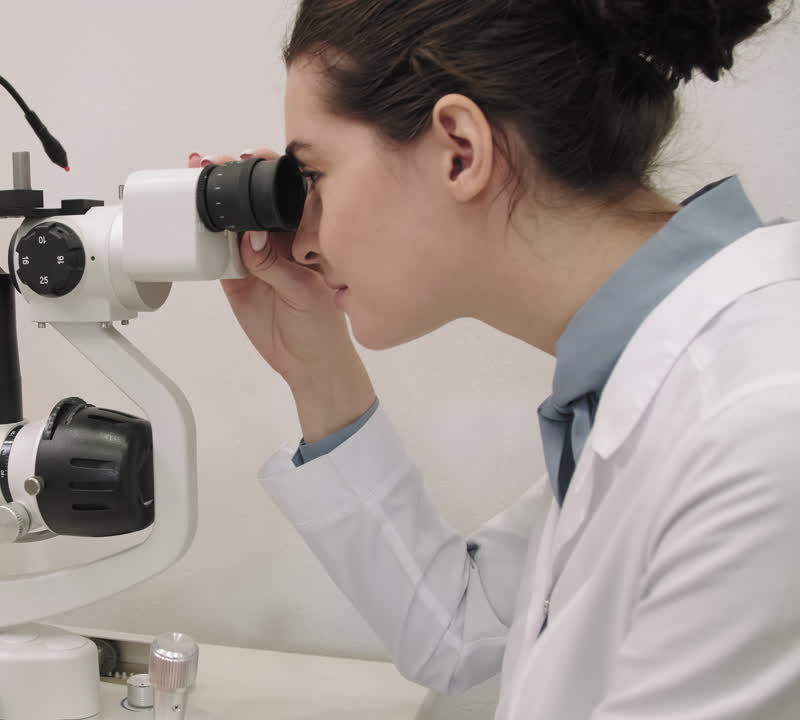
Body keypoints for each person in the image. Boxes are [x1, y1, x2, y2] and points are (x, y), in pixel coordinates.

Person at [192, 0, 800, 717]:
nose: (301, 239)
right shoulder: (643, 386)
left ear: (461, 149)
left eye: (313, 176)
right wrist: (316, 367)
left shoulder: (757, 425)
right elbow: (462, 630)